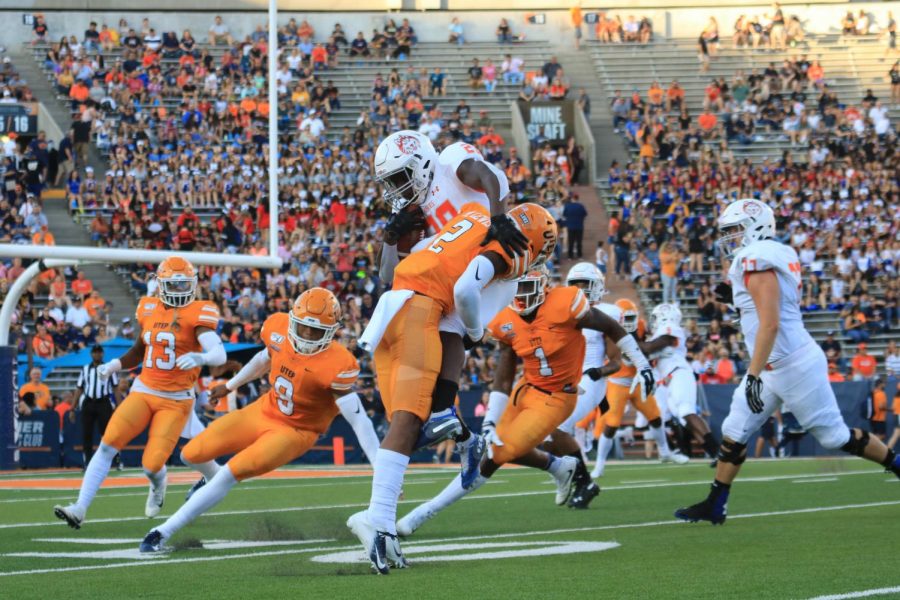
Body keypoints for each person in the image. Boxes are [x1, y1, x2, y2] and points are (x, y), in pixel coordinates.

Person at [347, 202, 557, 574]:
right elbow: (464, 291)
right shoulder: (508, 247)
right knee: (410, 420)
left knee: (405, 424)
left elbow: (401, 268)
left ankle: (386, 521)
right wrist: (477, 331)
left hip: (389, 310)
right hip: (419, 310)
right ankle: (378, 519)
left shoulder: (473, 214)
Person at [675, 199, 900, 525]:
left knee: (834, 438)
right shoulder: (773, 254)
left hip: (792, 365)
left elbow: (770, 322)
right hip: (771, 365)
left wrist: (751, 374)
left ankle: (895, 463)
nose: (730, 238)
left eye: (736, 230)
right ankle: (715, 503)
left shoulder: (757, 258)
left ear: (756, 227)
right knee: (734, 430)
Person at [395, 265, 655, 536]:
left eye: (526, 287)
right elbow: (504, 373)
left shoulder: (566, 303)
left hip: (557, 397)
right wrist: (491, 419)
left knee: (494, 455)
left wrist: (642, 363)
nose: (519, 295)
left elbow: (611, 327)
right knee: (492, 444)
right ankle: (560, 466)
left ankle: (422, 513)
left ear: (542, 287)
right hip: (526, 388)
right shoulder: (505, 319)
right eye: (515, 288)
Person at [139, 288, 377, 552]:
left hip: (295, 430)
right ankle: (210, 482)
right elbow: (264, 358)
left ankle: (161, 532)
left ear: (332, 331)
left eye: (317, 331)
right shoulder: (278, 328)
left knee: (230, 473)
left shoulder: (338, 363)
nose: (308, 336)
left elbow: (359, 422)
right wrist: (230, 386)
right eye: (304, 328)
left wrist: (380, 469)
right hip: (264, 410)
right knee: (190, 454)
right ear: (292, 320)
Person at [373, 130, 528, 451]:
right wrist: (390, 238)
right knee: (428, 310)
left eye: (400, 176)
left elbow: (490, 174)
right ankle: (448, 422)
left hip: (494, 250)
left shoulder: (449, 162)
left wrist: (498, 218)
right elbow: (389, 274)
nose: (396, 188)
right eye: (390, 181)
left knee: (449, 318)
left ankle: (442, 409)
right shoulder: (408, 210)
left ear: (420, 163)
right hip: (455, 269)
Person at [53, 256, 227, 530]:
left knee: (151, 464)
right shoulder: (148, 307)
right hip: (144, 390)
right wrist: (116, 365)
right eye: (174, 285)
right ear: (160, 285)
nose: (180, 291)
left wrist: (200, 358)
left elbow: (219, 353)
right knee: (108, 443)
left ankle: (159, 484)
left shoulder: (199, 312)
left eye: (184, 285)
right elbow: (138, 350)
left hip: (176, 400)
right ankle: (80, 508)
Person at [592, 300, 689, 478]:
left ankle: (665, 453)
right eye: (625, 318)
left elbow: (645, 346)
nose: (629, 322)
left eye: (631, 317)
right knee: (611, 425)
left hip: (637, 381)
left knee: (656, 417)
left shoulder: (642, 326)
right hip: (618, 383)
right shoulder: (608, 330)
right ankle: (599, 465)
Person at [76, 345, 119, 465]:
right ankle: (87, 461)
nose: (97, 354)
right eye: (95, 352)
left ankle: (114, 459)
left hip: (103, 402)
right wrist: (72, 407)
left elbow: (116, 388)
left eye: (99, 352)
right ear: (91, 354)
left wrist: (119, 406)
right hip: (88, 402)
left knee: (107, 433)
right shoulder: (85, 369)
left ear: (102, 354)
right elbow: (79, 388)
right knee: (87, 433)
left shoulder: (109, 368)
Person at [562, 194, 587, 259]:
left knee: (571, 241)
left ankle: (570, 256)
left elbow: (564, 214)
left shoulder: (567, 206)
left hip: (570, 226)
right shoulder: (581, 206)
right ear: (577, 198)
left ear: (572, 199)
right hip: (579, 226)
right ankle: (579, 255)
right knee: (579, 241)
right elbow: (585, 214)